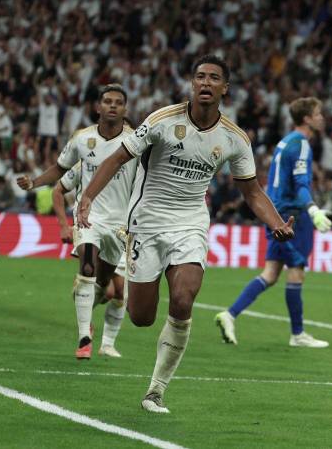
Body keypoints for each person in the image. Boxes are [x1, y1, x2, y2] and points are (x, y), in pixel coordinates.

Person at [76, 54, 294, 414]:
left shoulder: (234, 139)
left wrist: (276, 224)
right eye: (200, 77)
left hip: (190, 223)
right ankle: (111, 291)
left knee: (183, 299)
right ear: (192, 84)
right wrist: (86, 198)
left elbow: (252, 191)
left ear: (226, 88)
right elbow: (116, 158)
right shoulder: (161, 121)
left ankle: (156, 391)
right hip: (146, 222)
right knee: (141, 317)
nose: (205, 83)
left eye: (213, 78)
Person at [17, 84, 137, 360]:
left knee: (107, 286)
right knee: (87, 267)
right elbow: (59, 172)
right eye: (107, 101)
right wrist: (34, 182)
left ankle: (90, 316)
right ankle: (85, 336)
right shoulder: (82, 139)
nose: (112, 106)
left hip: (121, 225)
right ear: (98, 107)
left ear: (125, 109)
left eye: (118, 102)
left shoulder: (135, 142)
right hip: (88, 216)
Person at [215, 97, 332, 348]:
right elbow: (301, 184)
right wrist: (312, 209)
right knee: (296, 272)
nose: (322, 117)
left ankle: (230, 314)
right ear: (307, 118)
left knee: (270, 274)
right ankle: (298, 334)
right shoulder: (301, 145)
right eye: (318, 113)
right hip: (291, 216)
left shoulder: (284, 142)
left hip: (274, 211)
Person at [51, 163, 128, 357]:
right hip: (93, 223)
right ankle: (85, 329)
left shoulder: (132, 156)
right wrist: (63, 224)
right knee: (94, 276)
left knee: (117, 292)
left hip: (119, 228)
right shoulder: (87, 157)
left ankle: (107, 344)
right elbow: (58, 189)